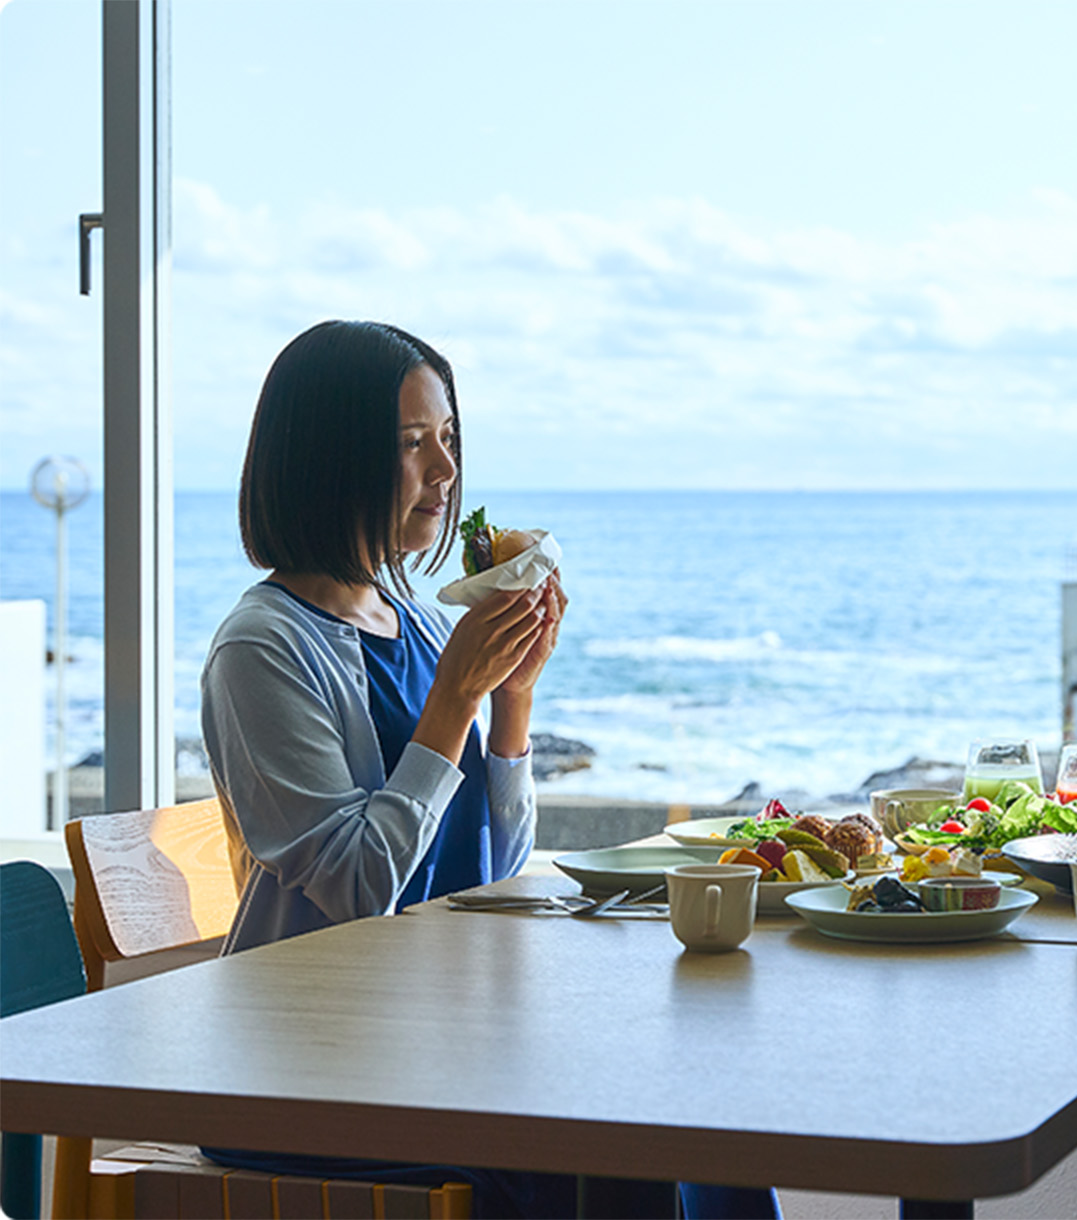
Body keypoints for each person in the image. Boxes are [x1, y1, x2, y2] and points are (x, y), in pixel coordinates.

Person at [200, 320, 777, 1220]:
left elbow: (493, 866)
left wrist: (512, 703)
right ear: (329, 457)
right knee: (605, 1154)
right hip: (305, 1066)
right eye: (409, 443)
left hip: (432, 1038)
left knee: (698, 1113)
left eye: (449, 440)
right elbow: (357, 890)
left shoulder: (417, 620)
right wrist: (453, 704)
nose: (443, 471)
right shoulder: (264, 649)